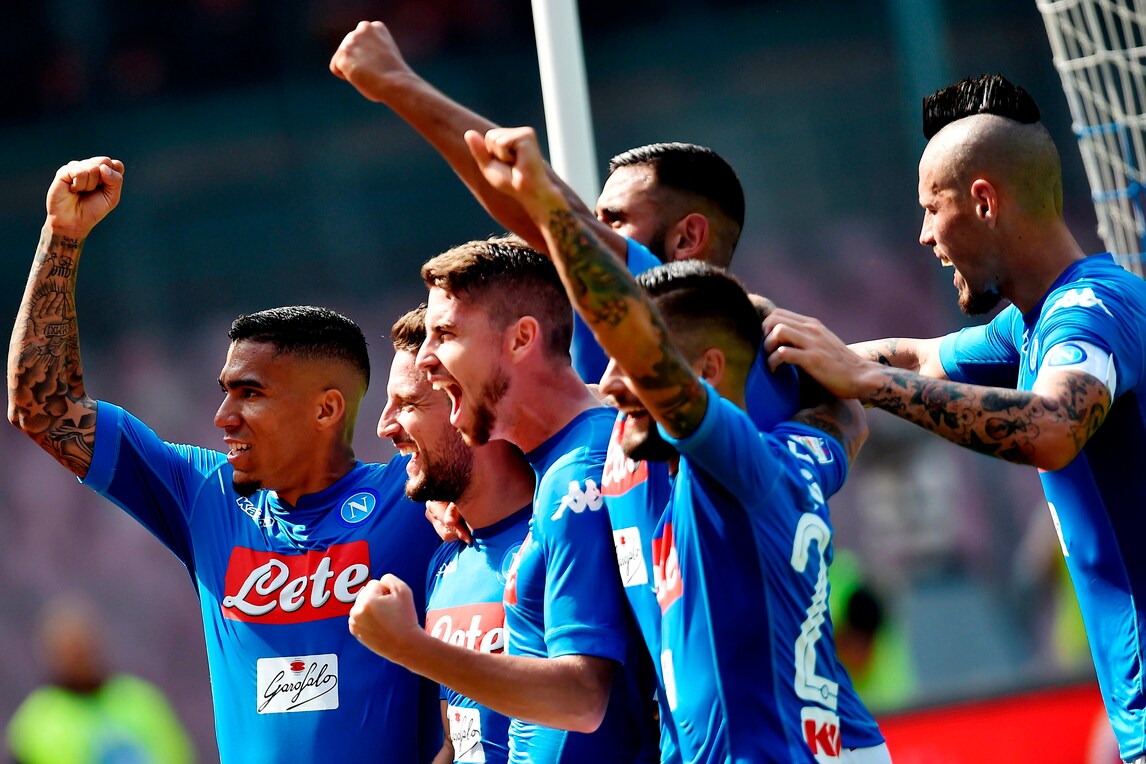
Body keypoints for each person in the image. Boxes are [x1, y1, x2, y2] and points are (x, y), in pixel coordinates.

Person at [465, 124, 890, 762]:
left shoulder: (725, 445)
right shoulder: (793, 445)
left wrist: (543, 201)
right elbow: (847, 419)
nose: (609, 381)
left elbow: (577, 257)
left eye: (616, 221)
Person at [761, 73, 1146, 763]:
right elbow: (919, 357)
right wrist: (777, 363)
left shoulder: (1090, 311)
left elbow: (1052, 428)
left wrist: (869, 384)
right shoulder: (1030, 326)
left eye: (931, 209)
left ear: (984, 202)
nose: (923, 236)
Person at [6, 157, 443, 763]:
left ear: (326, 409)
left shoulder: (417, 496)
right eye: (224, 392)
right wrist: (62, 237)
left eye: (250, 394)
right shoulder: (203, 495)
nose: (223, 417)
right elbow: (43, 409)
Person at [328, 20, 794, 393]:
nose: (593, 234)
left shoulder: (671, 311)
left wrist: (395, 81)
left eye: (615, 222)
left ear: (687, 238)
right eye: (598, 221)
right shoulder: (782, 366)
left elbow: (551, 214)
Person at [348, 236, 659, 763]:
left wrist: (409, 646)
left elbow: (583, 700)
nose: (429, 359)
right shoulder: (550, 478)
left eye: (446, 335)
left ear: (521, 339)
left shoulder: (578, 478)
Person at [380, 303, 535, 764]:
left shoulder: (563, 536)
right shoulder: (446, 559)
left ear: (461, 403)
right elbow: (457, 745)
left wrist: (410, 646)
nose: (385, 426)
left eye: (408, 404)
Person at [6, 595, 195, 764]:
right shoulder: (34, 725)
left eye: (82, 648)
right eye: (70, 651)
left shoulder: (142, 700)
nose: (79, 659)